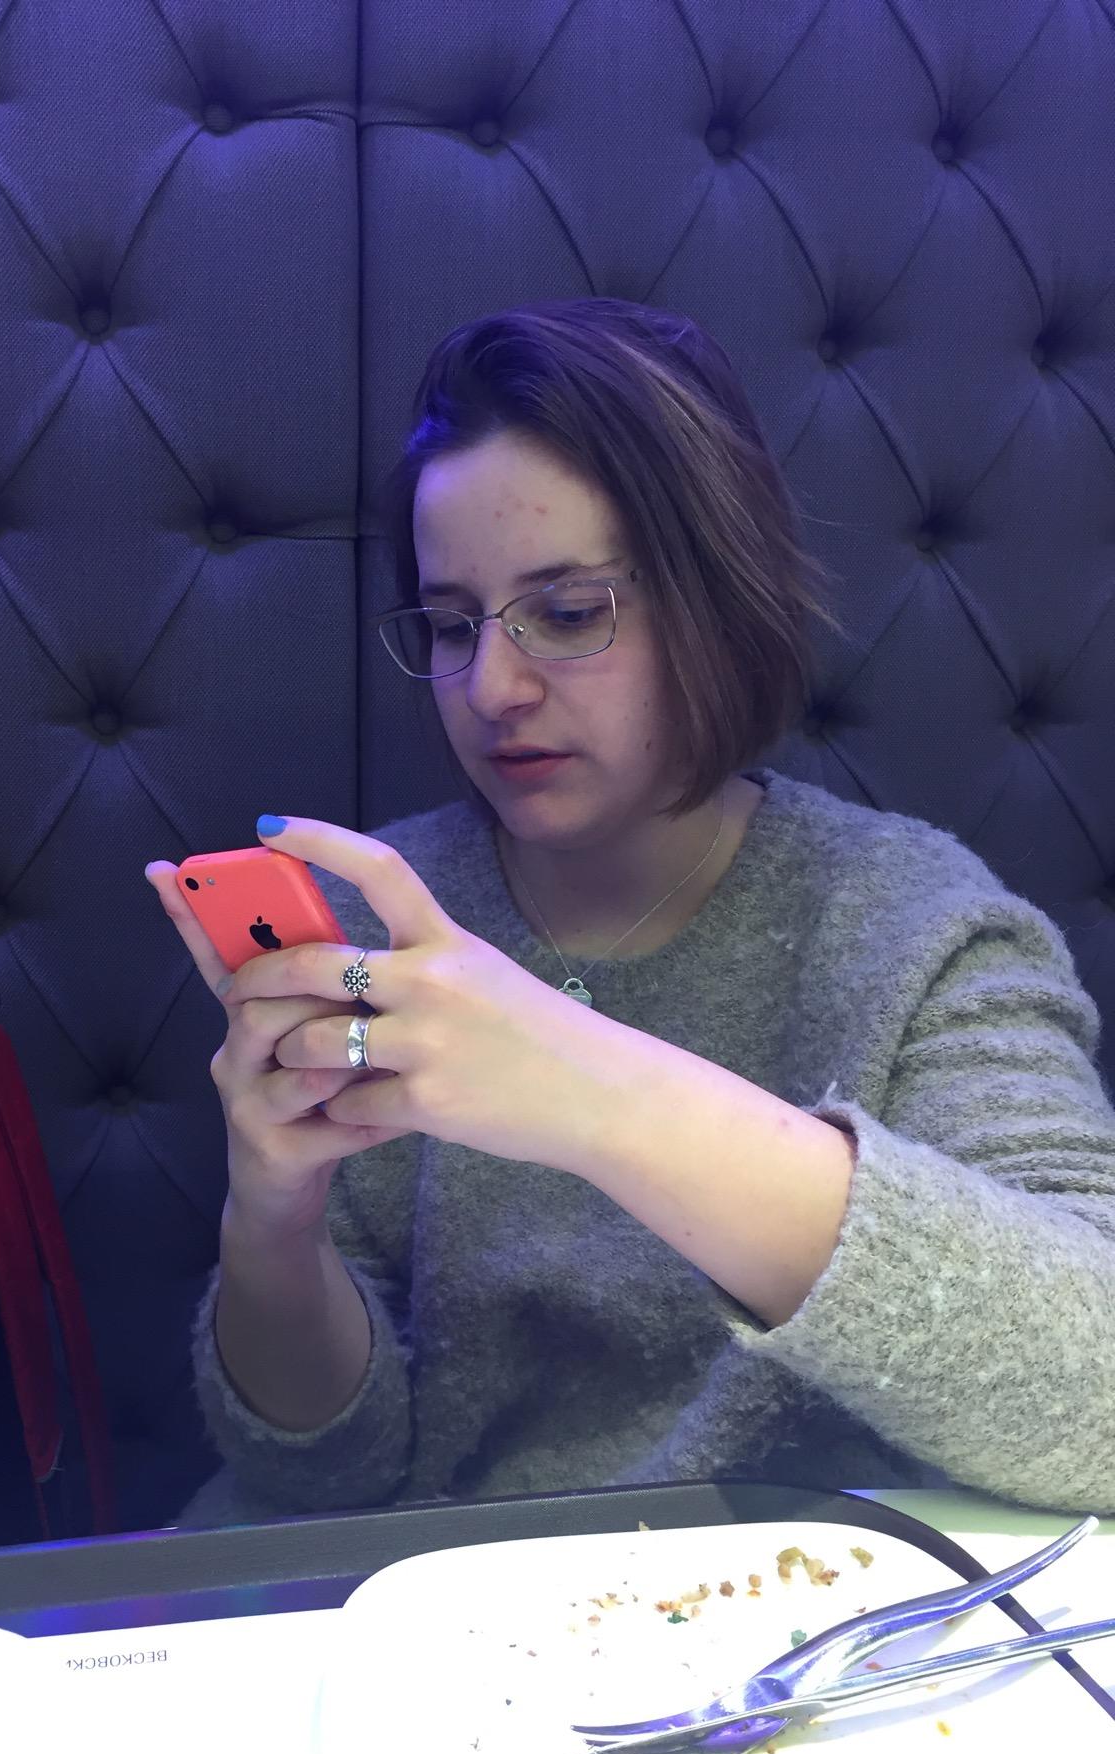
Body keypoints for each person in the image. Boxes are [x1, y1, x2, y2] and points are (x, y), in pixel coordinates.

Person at [145, 297, 1115, 1527]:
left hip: (807, 1603)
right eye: (451, 625)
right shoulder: (369, 926)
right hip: (429, 1598)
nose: (492, 687)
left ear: (719, 601)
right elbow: (314, 1474)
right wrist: (273, 1220)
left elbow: (1098, 1399)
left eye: (567, 612)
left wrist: (592, 1093)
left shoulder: (912, 924)